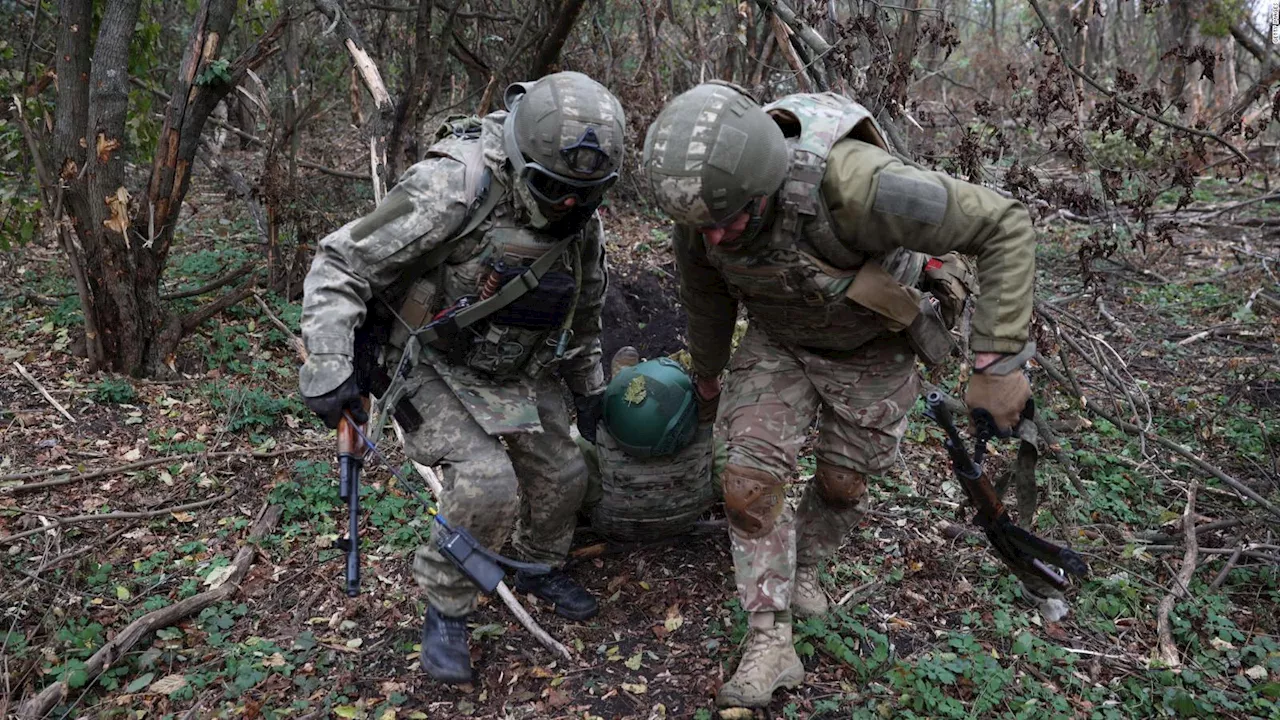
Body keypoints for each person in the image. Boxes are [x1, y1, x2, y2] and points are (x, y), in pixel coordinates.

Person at [641, 82, 1040, 708]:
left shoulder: (856, 186)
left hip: (875, 343)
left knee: (841, 486)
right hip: (782, 340)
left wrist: (996, 358)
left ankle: (807, 568)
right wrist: (710, 372)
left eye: (730, 221)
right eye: (702, 228)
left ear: (766, 183)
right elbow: (706, 295)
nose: (714, 238)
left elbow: (1003, 222)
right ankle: (769, 640)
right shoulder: (704, 210)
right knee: (747, 483)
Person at [298, 71, 625, 685]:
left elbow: (585, 303)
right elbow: (342, 261)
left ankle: (536, 564)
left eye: (585, 195)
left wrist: (589, 383)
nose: (568, 207)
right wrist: (327, 362)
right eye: (554, 190)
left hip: (515, 362)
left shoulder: (582, 212)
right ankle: (447, 607)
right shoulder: (455, 185)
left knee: (564, 470)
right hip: (428, 359)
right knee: (486, 482)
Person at [575, 348, 724, 542]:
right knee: (716, 444)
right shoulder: (704, 433)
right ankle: (635, 392)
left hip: (614, 523)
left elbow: (579, 489)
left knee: (582, 449)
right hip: (685, 517)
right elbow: (722, 480)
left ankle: (622, 393)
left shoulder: (598, 440)